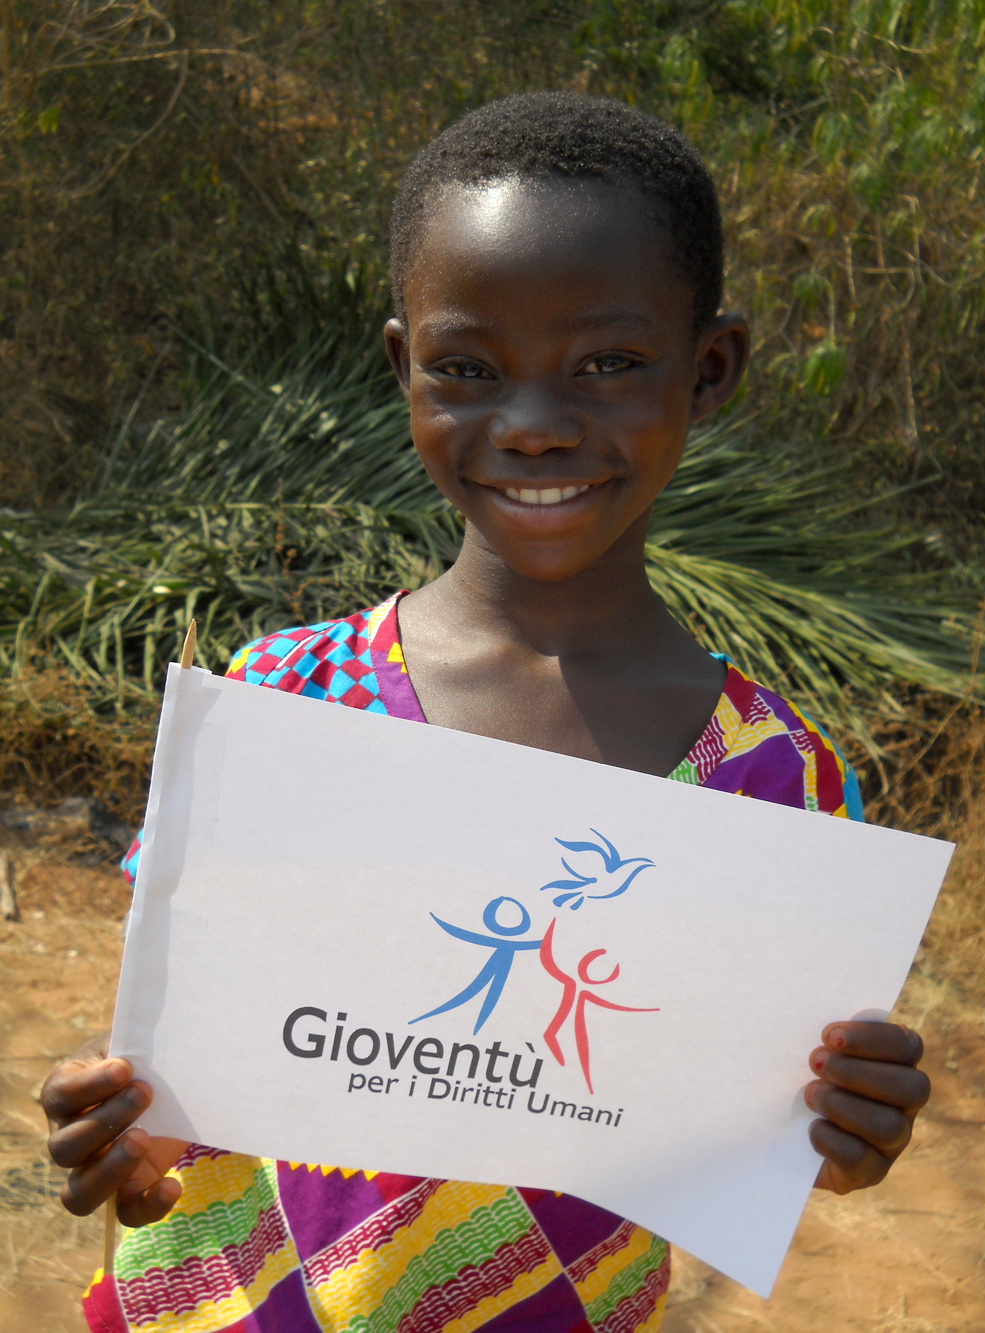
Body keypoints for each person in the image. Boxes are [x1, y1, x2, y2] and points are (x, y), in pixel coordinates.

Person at [43, 92, 931, 1333]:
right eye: (467, 368)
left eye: (608, 363)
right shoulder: (282, 704)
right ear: (402, 368)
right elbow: (189, 1066)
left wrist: (834, 1134)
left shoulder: (777, 783)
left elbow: (756, 1129)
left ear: (709, 368)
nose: (534, 425)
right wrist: (131, 1138)